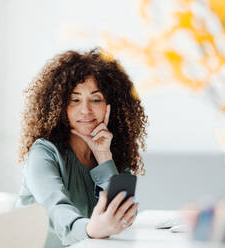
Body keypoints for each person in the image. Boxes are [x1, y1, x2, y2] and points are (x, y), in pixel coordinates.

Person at [15, 48, 148, 247]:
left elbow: (123, 215)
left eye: (96, 99)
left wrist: (104, 157)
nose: (85, 110)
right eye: (74, 100)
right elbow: (57, 211)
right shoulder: (43, 154)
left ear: (111, 105)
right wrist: (91, 229)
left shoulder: (112, 150)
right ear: (60, 106)